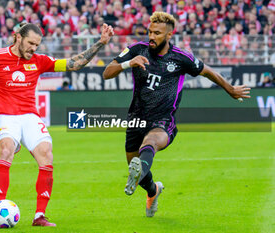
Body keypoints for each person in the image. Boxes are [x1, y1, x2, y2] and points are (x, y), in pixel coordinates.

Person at [0, 23, 114, 227]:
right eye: (30, 43)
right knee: (6, 149)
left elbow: (74, 64)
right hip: (5, 116)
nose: (33, 48)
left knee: (46, 154)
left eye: (37, 44)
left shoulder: (39, 61)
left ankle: (39, 216)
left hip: (30, 116)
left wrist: (101, 43)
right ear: (18, 37)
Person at [102, 12, 251, 218]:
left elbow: (208, 72)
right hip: (136, 118)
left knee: (151, 142)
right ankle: (153, 191)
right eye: (150, 32)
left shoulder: (181, 58)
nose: (152, 36)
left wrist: (230, 89)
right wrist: (129, 63)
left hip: (163, 120)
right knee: (138, 171)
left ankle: (143, 172)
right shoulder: (137, 49)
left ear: (169, 35)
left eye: (157, 33)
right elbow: (107, 72)